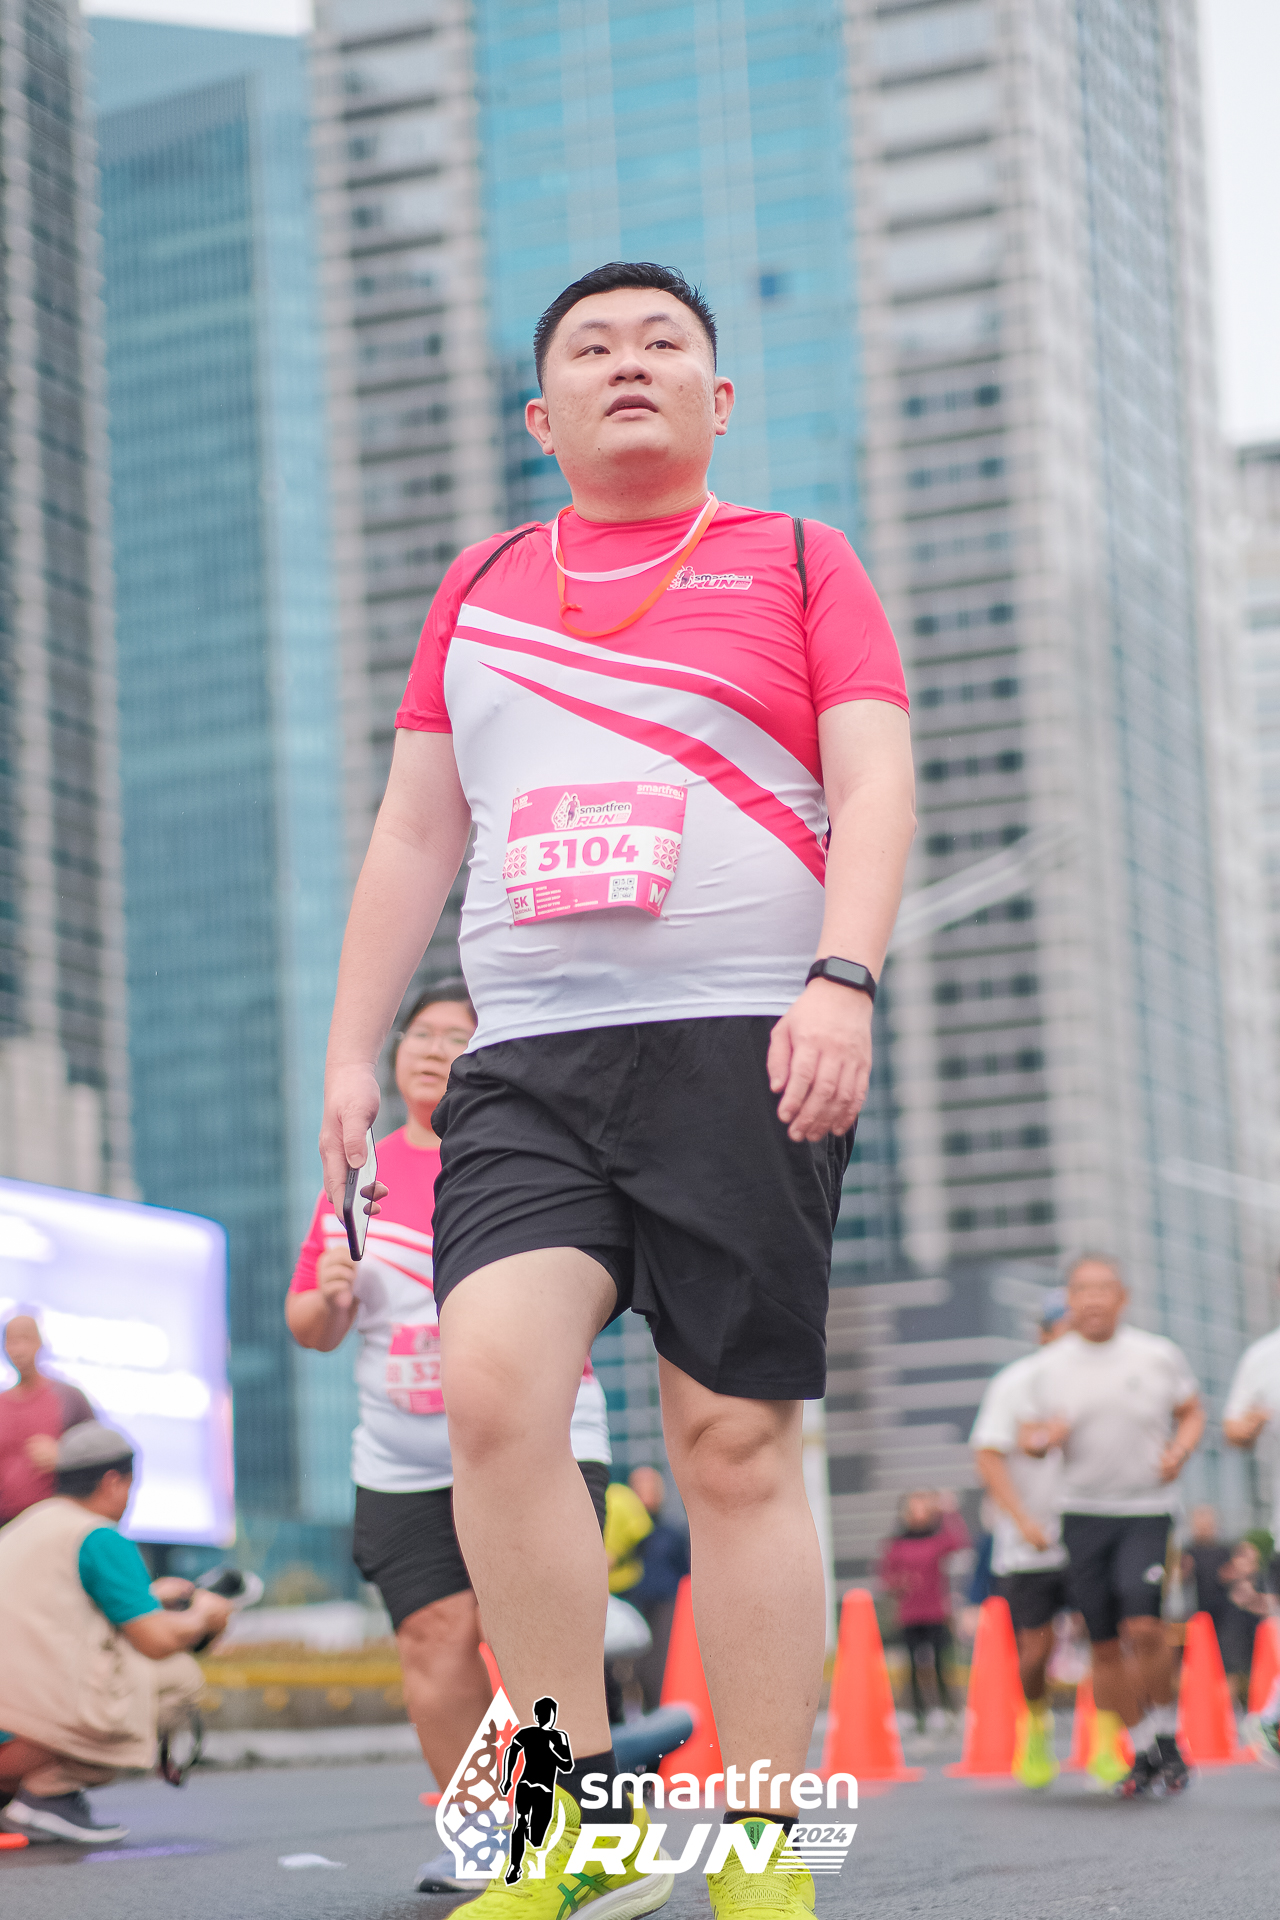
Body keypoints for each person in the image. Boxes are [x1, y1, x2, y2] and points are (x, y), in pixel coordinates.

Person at [319, 259, 914, 1920]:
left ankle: (770, 1844)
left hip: (748, 1042)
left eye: (664, 343)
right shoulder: (483, 583)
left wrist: (843, 977)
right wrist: (353, 1049)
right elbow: (415, 831)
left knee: (733, 1445)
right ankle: (570, 1825)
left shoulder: (800, 557)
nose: (628, 362)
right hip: (526, 1062)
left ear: (718, 399)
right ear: (543, 412)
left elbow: (876, 781)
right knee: (494, 1396)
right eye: (592, 346)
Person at [287, 983, 613, 1894]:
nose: (434, 1050)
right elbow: (309, 1325)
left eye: (457, 1037)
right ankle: (479, 1834)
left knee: (520, 1633)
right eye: (421, 1034)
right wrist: (332, 1296)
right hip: (403, 1462)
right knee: (435, 1638)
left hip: (540, 1438)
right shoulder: (359, 1174)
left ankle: (565, 1827)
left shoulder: (533, 1159)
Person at [1019, 1255, 1204, 1797]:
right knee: (1102, 1644)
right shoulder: (1048, 1368)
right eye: (1082, 1289)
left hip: (1146, 1508)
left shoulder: (1157, 1355)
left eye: (1104, 1288)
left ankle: (1168, 1736)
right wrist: (1042, 1440)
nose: (1094, 1299)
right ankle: (1143, 1749)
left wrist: (1180, 1451)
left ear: (1123, 1297)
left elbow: (1192, 1411)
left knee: (1143, 1626)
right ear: (1069, 1300)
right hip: (1082, 1513)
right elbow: (1027, 1437)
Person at [0, 1422, 229, 1844]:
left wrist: (147, 1596)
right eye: (129, 1487)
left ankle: (10, 1799)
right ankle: (47, 1795)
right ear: (112, 1481)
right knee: (180, 1676)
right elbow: (156, 1641)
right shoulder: (97, 1535)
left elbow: (58, 1615)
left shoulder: (23, 1527)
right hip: (20, 1734)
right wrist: (205, 1617)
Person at [970, 1287, 1072, 1787]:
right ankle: (1036, 1726)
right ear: (1043, 1333)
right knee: (1036, 1650)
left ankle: (1109, 1742)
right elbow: (987, 1453)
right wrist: (1023, 1520)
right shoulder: (1016, 1382)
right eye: (1063, 1327)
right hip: (1030, 1542)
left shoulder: (1104, 1379)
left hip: (1091, 1533)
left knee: (1111, 1641)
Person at [878, 1491, 969, 1732]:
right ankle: (915, 1711)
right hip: (909, 1613)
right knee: (911, 1665)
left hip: (935, 1612)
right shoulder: (897, 1543)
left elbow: (958, 1543)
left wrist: (948, 1513)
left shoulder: (937, 1539)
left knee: (940, 1663)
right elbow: (885, 1575)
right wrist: (899, 1583)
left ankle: (946, 1709)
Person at [0, 1314, 94, 1524]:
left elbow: (99, 1454)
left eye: (26, 1339)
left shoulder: (69, 1398)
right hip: (5, 1524)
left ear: (40, 1343)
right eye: (13, 1341)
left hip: (54, 1519)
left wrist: (65, 1455)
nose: (19, 1349)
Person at [620, 1467, 690, 1713]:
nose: (647, 1494)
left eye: (652, 1487)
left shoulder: (672, 1533)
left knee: (660, 1664)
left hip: (665, 1604)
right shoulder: (624, 1535)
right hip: (633, 1601)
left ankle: (661, 1712)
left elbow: (685, 1572)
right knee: (634, 1668)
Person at [500, 1697, 573, 1884]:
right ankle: (515, 1867)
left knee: (537, 1833)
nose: (544, 1717)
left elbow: (567, 1765)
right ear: (536, 1715)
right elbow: (511, 1752)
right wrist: (507, 1778)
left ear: (553, 1715)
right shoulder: (527, 1733)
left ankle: (530, 1857)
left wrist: (552, 1752)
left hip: (545, 1789)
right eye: (541, 1713)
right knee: (520, 1822)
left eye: (547, 1713)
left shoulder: (559, 1737)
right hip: (527, 1784)